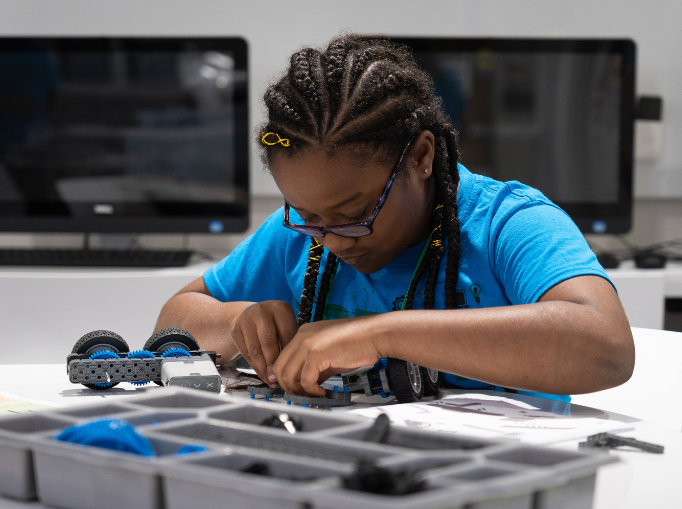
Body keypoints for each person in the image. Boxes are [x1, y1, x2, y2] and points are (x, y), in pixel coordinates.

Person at [155, 34, 634, 402]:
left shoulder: (508, 224)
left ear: (421, 156)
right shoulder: (304, 236)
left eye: (355, 213)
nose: (333, 239)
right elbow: (175, 320)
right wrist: (242, 319)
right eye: (307, 215)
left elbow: (606, 347)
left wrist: (382, 332)